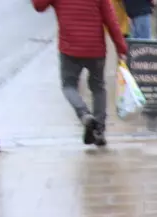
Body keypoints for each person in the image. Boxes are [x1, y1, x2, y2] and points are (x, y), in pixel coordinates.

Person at [33, 0, 127, 147]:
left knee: (69, 86)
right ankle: (99, 131)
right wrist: (121, 47)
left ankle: (84, 114)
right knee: (98, 88)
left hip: (69, 49)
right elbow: (110, 19)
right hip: (95, 48)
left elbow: (38, 6)